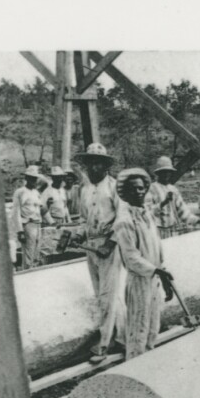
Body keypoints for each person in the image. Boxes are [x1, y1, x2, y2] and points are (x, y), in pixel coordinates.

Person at [71, 143, 127, 361]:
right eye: (90, 163)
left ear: (105, 166)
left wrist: (110, 244)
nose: (94, 167)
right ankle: (123, 337)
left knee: (108, 295)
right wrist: (80, 235)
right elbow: (84, 219)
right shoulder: (84, 190)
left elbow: (123, 219)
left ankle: (104, 343)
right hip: (92, 245)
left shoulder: (114, 187)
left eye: (98, 163)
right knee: (103, 294)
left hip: (109, 244)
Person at [112, 168, 170, 360]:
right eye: (133, 189)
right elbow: (131, 258)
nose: (138, 192)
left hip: (154, 280)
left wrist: (163, 275)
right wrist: (156, 271)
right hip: (139, 282)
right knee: (139, 331)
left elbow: (157, 249)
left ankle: (148, 368)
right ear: (125, 193)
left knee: (153, 329)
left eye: (141, 188)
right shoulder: (124, 221)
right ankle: (135, 368)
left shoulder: (148, 216)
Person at [146, 156, 200, 238]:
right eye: (163, 172)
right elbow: (147, 213)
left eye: (168, 172)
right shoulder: (151, 189)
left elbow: (183, 212)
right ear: (158, 173)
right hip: (157, 232)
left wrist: (199, 220)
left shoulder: (173, 189)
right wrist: (163, 203)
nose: (166, 174)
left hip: (172, 231)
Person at [10, 165, 44, 270]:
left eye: (35, 178)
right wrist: (20, 231)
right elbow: (15, 212)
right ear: (26, 178)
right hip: (27, 224)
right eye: (31, 178)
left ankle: (35, 275)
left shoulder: (36, 192)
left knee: (37, 252)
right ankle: (27, 273)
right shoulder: (20, 192)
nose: (33, 180)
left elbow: (40, 208)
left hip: (37, 224)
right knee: (28, 253)